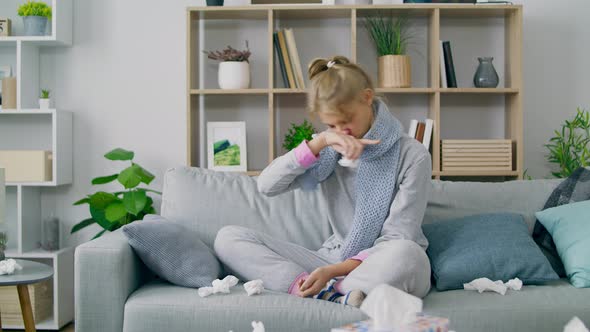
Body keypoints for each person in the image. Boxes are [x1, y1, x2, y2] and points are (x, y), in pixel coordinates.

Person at [214, 55, 432, 307]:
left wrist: (332, 272)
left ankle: (334, 291)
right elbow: (267, 186)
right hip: (331, 259)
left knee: (407, 254)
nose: (341, 131)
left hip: (381, 262)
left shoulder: (413, 155)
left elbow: (397, 236)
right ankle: (314, 289)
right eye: (331, 124)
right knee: (228, 238)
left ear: (367, 97)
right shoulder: (326, 148)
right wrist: (320, 142)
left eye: (346, 120)